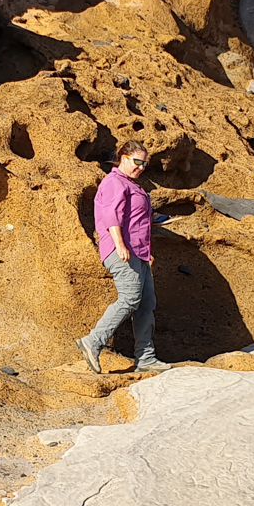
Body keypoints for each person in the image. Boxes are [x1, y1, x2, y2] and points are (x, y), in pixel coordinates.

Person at [76, 141, 172, 375]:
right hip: (122, 250)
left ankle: (146, 357)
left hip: (139, 252)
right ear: (123, 157)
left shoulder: (133, 185)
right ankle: (92, 341)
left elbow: (138, 218)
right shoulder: (114, 182)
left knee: (146, 304)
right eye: (137, 161)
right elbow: (112, 215)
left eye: (144, 164)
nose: (141, 167)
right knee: (130, 298)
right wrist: (119, 244)